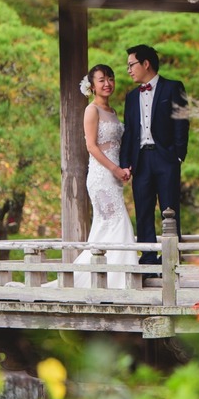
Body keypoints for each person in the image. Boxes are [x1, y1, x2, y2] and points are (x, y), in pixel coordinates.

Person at [119, 44, 189, 263]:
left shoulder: (173, 87)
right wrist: (126, 162)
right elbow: (129, 131)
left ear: (146, 63)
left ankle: (172, 257)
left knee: (170, 209)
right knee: (143, 209)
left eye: (131, 65)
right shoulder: (131, 97)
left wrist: (178, 155)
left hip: (166, 158)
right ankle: (148, 257)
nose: (129, 70)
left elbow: (182, 122)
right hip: (141, 159)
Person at [74, 64, 138, 288]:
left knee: (107, 226)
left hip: (115, 174)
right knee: (116, 222)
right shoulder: (91, 110)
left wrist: (125, 168)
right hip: (101, 176)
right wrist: (115, 169)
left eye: (110, 78)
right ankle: (116, 280)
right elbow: (91, 146)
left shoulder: (112, 111)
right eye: (101, 80)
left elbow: (117, 145)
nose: (107, 83)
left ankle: (106, 277)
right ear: (92, 86)